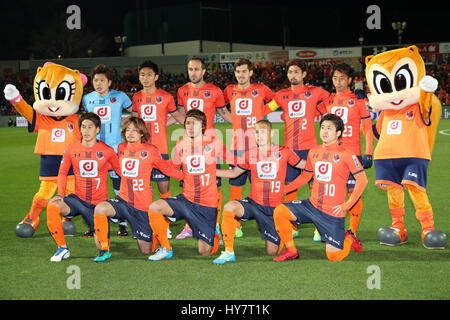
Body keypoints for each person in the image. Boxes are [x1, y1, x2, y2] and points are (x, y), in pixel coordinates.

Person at [273, 113, 368, 262]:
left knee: (334, 257)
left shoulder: (347, 154)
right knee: (280, 211)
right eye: (322, 127)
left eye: (329, 128)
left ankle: (349, 239)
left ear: (338, 133)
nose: (324, 131)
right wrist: (283, 190)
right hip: (311, 206)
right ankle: (291, 250)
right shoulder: (314, 152)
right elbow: (306, 176)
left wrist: (347, 205)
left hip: (332, 213)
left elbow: (362, 180)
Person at [213, 120, 306, 264]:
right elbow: (233, 173)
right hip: (254, 204)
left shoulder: (284, 152)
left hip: (274, 210)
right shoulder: (250, 154)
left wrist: (322, 164)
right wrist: (210, 171)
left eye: (263, 132)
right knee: (229, 207)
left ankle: (282, 231)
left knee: (271, 252)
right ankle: (229, 251)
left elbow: (305, 166)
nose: (259, 135)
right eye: (256, 132)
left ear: (272, 133)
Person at [92, 117, 183, 262]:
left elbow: (166, 169)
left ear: (142, 133)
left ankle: (155, 231)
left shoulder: (151, 150)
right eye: (128, 130)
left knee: (146, 250)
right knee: (100, 209)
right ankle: (104, 250)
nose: (130, 133)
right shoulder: (121, 148)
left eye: (134, 130)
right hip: (122, 201)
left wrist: (185, 177)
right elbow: (118, 168)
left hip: (142, 206)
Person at [147, 109, 234, 261]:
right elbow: (173, 169)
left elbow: (234, 161)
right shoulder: (181, 145)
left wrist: (218, 172)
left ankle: (214, 232)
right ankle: (165, 248)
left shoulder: (215, 143)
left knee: (204, 251)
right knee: (155, 207)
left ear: (203, 125)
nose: (191, 126)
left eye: (195, 123)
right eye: (188, 123)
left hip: (207, 205)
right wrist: (156, 162)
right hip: (186, 200)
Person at [46, 112, 120, 262]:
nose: (86, 131)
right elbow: (62, 173)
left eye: (90, 127)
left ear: (98, 129)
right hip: (77, 200)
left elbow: (121, 173)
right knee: (53, 206)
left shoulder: (107, 151)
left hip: (98, 205)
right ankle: (62, 248)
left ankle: (103, 242)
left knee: (103, 249)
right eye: (83, 127)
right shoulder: (71, 149)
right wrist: (60, 194)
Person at [174, 57, 232, 240]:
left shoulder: (215, 91)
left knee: (213, 186)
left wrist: (247, 125)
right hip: (188, 144)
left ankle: (214, 225)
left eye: (197, 69)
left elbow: (225, 113)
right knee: (188, 186)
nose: (193, 72)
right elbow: (180, 115)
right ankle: (189, 226)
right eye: (190, 69)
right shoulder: (182, 91)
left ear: (204, 71)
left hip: (210, 145)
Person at [316, 63, 373, 244]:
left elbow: (367, 127)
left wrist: (369, 151)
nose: (338, 81)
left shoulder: (358, 99)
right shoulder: (329, 100)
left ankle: (352, 231)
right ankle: (328, 226)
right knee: (330, 190)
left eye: (342, 78)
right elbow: (318, 111)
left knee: (352, 190)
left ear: (349, 80)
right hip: (331, 154)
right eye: (335, 78)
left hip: (352, 153)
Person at [223, 58, 275, 236]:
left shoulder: (261, 89)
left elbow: (275, 101)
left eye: (244, 71)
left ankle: (263, 219)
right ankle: (235, 224)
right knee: (235, 186)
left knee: (260, 185)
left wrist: (262, 112)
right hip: (237, 146)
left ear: (251, 72)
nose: (241, 75)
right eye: (238, 72)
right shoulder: (230, 90)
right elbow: (221, 107)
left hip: (258, 147)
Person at [267, 59, 330, 203]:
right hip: (289, 150)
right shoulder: (281, 95)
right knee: (290, 186)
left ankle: (318, 221)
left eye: (296, 72)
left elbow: (333, 99)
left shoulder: (314, 92)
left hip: (311, 149)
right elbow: (265, 109)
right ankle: (290, 224)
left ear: (304, 74)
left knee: (315, 184)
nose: (292, 75)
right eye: (290, 72)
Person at [81, 64, 133, 237]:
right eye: (96, 80)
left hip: (116, 148)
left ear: (109, 82)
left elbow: (135, 112)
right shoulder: (87, 99)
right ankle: (94, 222)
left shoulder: (120, 97)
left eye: (102, 80)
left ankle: (123, 222)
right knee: (93, 186)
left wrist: (126, 126)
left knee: (119, 185)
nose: (98, 84)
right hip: (94, 149)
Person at [131, 60, 185, 202]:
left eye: (149, 74)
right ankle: (145, 219)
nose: (145, 78)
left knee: (163, 188)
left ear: (156, 77)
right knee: (141, 188)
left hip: (161, 150)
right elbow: (135, 122)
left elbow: (178, 116)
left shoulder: (166, 97)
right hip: (141, 150)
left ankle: (166, 220)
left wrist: (196, 128)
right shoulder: (136, 97)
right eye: (142, 75)